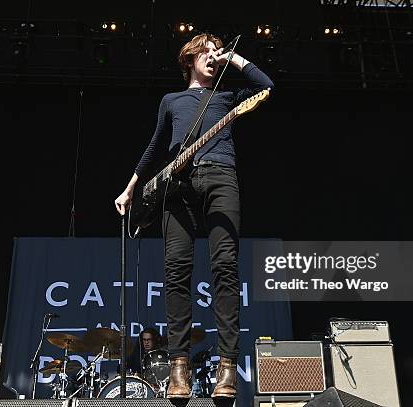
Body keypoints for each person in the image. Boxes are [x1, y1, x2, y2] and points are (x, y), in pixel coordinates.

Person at [115, 33, 273, 398]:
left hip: (221, 177)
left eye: (216, 54)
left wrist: (233, 59)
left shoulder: (228, 97)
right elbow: (155, 145)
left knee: (225, 267)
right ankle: (178, 369)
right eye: (206, 53)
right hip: (177, 185)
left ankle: (228, 368)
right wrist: (130, 187)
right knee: (176, 271)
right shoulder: (171, 100)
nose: (212, 58)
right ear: (189, 60)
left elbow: (267, 85)